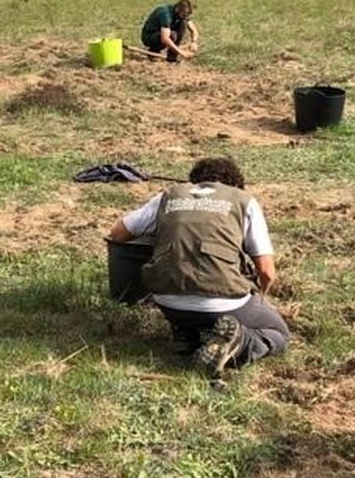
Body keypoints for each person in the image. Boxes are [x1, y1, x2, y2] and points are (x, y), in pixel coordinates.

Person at [108, 156, 290, 386]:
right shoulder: (244, 201)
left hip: (167, 302)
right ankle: (240, 343)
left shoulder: (169, 196)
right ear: (236, 185)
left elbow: (117, 234)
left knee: (186, 294)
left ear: (193, 182)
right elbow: (267, 272)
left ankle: (187, 335)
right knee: (277, 332)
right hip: (224, 304)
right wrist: (260, 300)